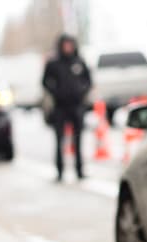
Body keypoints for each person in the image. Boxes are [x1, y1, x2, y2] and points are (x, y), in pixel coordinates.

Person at [42, 34, 92, 182]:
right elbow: (45, 81)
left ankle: (79, 170)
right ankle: (60, 171)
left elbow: (88, 80)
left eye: (70, 44)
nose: (68, 47)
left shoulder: (79, 61)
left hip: (76, 106)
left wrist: (81, 92)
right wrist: (56, 92)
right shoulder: (54, 63)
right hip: (60, 107)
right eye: (65, 45)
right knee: (59, 141)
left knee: (78, 140)